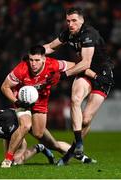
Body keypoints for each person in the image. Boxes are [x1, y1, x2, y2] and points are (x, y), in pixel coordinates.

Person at [0, 45, 97, 167]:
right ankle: (8, 159)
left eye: (37, 60)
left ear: (44, 59)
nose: (33, 64)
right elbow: (5, 87)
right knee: (26, 125)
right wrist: (16, 101)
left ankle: (80, 156)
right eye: (31, 60)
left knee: (43, 137)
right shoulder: (21, 69)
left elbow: (75, 66)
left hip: (41, 102)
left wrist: (95, 76)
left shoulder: (53, 64)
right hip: (22, 100)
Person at [43, 7, 114, 165]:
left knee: (86, 119)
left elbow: (85, 63)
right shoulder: (68, 33)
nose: (70, 24)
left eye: (74, 20)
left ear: (82, 21)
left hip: (102, 75)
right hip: (86, 72)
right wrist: (35, 53)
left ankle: (70, 153)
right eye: (68, 21)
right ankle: (79, 144)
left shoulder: (89, 34)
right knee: (75, 99)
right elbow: (50, 46)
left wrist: (62, 75)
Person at [0, 108, 95, 166]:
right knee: (16, 162)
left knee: (54, 145)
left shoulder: (4, 119)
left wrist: (10, 156)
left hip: (25, 125)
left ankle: (81, 156)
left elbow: (21, 132)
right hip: (10, 134)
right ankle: (39, 148)